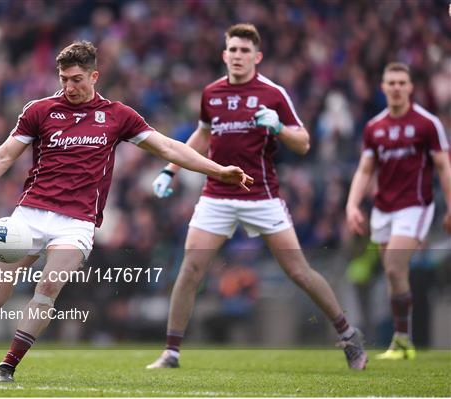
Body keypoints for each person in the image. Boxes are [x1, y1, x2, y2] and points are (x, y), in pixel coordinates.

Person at [0, 40, 253, 383]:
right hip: (30, 216)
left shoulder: (117, 116)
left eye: (77, 79)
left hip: (77, 222)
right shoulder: (39, 110)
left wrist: (218, 170)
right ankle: (7, 346)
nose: (69, 86)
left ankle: (7, 366)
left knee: (49, 286)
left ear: (94, 75)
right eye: (64, 79)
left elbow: (168, 147)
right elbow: (3, 156)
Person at [147, 23, 367, 370]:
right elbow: (202, 136)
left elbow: (304, 142)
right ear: (224, 54)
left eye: (244, 50)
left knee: (298, 271)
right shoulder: (211, 93)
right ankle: (171, 352)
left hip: (261, 195)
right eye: (232, 49)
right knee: (190, 269)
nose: (237, 56)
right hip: (217, 194)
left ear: (257, 56)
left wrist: (278, 127)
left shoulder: (272, 94)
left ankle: (348, 333)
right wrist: (170, 170)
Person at [346, 62, 450, 360]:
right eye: (390, 82)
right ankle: (403, 340)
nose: (396, 87)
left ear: (409, 87)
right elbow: (365, 171)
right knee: (393, 276)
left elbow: (444, 167)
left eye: (401, 82)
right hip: (383, 209)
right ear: (383, 87)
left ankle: (403, 339)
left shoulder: (427, 124)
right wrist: (352, 205)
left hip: (415, 206)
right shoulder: (374, 128)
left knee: (393, 265)